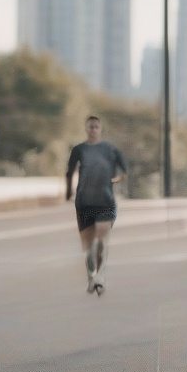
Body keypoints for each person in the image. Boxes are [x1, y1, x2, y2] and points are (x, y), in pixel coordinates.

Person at [66, 116, 128, 296]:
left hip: (105, 200)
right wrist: (68, 193)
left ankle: (100, 276)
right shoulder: (79, 149)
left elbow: (124, 172)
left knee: (101, 241)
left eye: (96, 127)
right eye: (90, 126)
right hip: (84, 202)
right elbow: (70, 172)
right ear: (86, 128)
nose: (93, 129)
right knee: (88, 247)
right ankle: (92, 277)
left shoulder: (111, 149)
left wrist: (113, 180)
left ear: (101, 129)